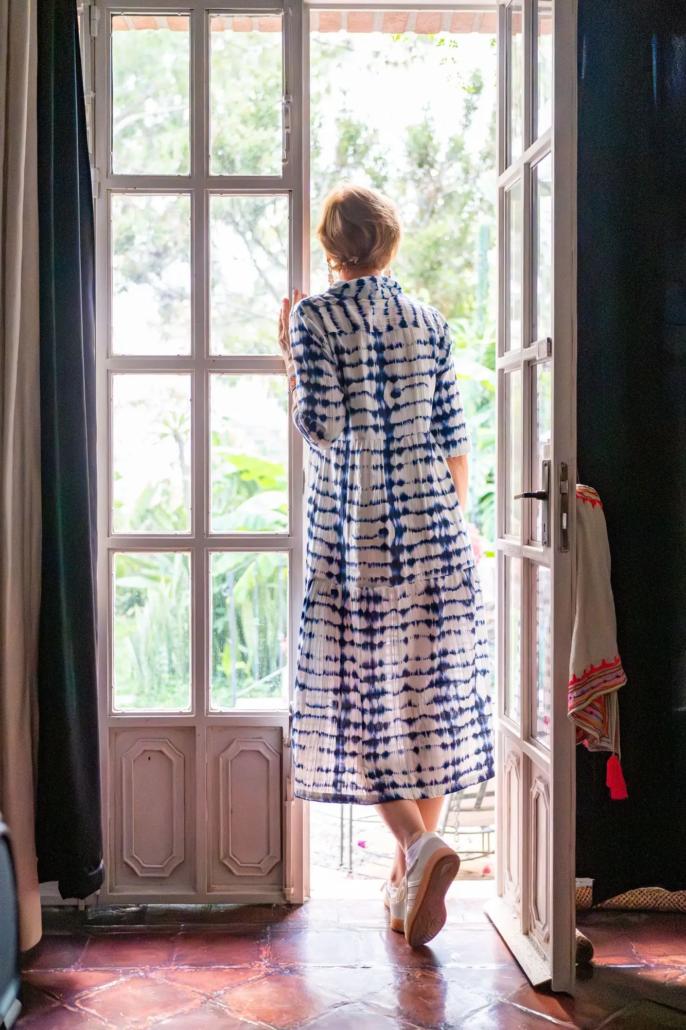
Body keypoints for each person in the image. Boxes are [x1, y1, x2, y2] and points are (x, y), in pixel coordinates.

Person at [278, 184, 493, 948]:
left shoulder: (314, 317)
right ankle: (408, 882)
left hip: (356, 539)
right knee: (426, 710)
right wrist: (449, 527)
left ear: (331, 248)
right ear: (390, 242)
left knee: (358, 704)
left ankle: (418, 848)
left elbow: (323, 424)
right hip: (436, 528)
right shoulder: (428, 322)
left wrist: (291, 361)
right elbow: (455, 440)